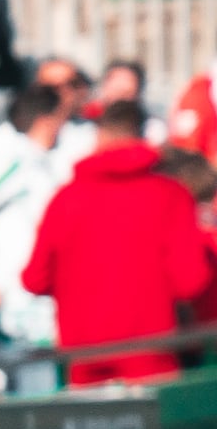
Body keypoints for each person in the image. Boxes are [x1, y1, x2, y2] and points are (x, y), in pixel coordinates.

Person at [17, 94, 208, 387]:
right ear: (142, 135)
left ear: (100, 136)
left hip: (85, 362)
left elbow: (35, 279)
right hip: (152, 362)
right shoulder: (170, 196)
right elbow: (191, 280)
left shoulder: (65, 199)